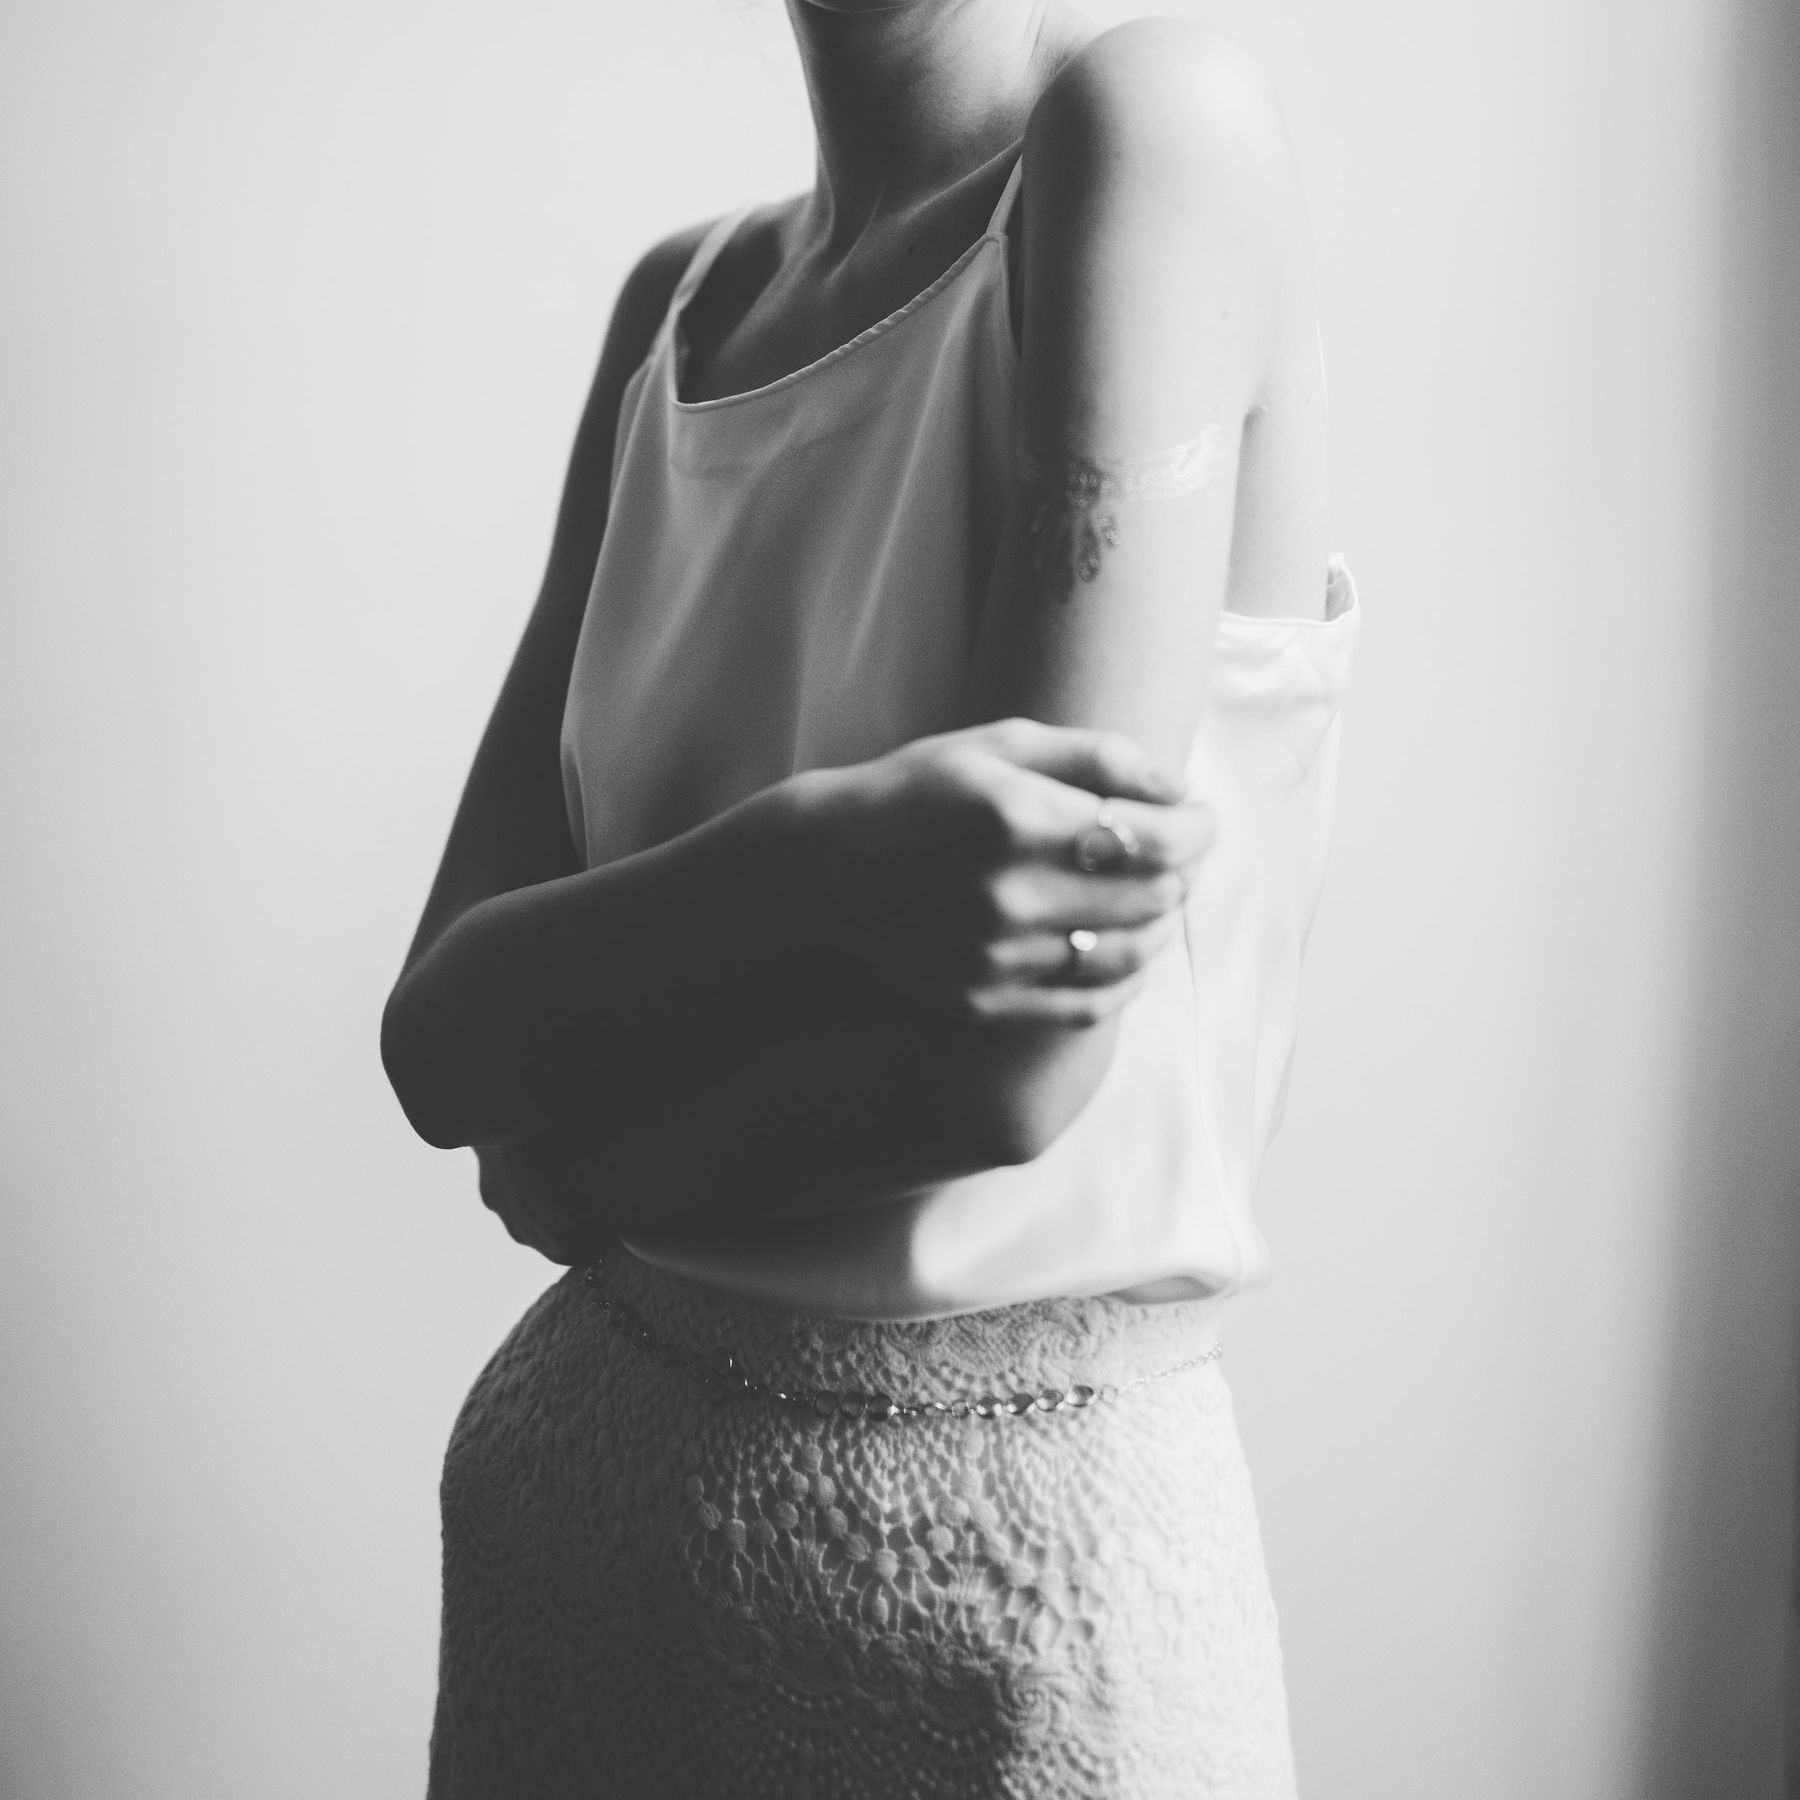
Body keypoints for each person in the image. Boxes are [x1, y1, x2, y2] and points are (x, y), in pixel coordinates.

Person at [382, 0, 1359, 1792]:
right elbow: (438, 1038)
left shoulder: (1152, 130)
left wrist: (575, 1132)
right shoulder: (679, 306)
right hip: (576, 1534)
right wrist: (812, 868)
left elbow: (1003, 1080)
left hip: (1002, 1621)